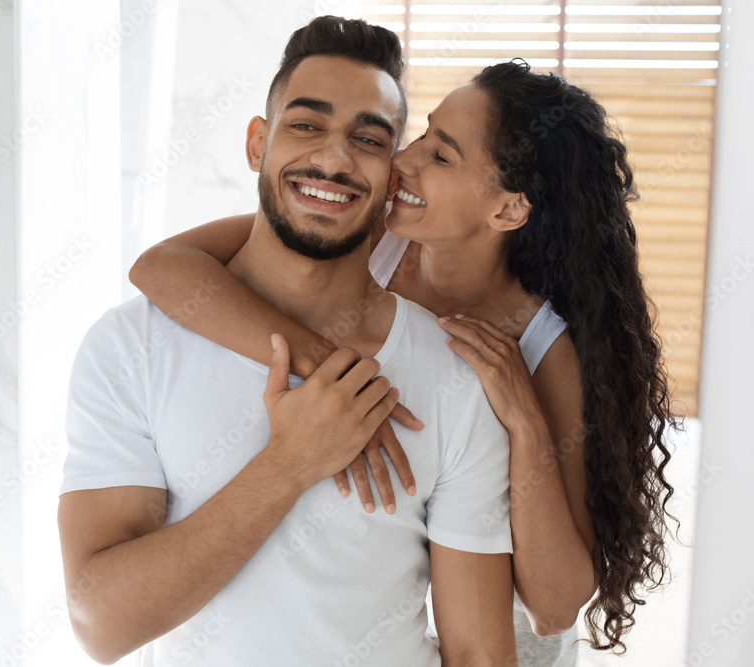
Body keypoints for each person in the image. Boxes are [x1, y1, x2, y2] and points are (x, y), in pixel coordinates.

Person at [129, 58, 679, 664]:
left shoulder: (544, 350)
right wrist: (327, 366)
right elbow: (159, 268)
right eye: (421, 134)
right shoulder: (372, 241)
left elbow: (553, 607)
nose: (403, 161)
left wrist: (524, 422)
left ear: (508, 211)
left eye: (441, 156)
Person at [59, 16, 520, 666]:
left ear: (395, 174)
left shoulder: (455, 376)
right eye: (306, 125)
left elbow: (479, 654)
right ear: (257, 143)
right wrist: (290, 464)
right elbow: (100, 625)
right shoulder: (130, 347)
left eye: (368, 138)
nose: (333, 159)